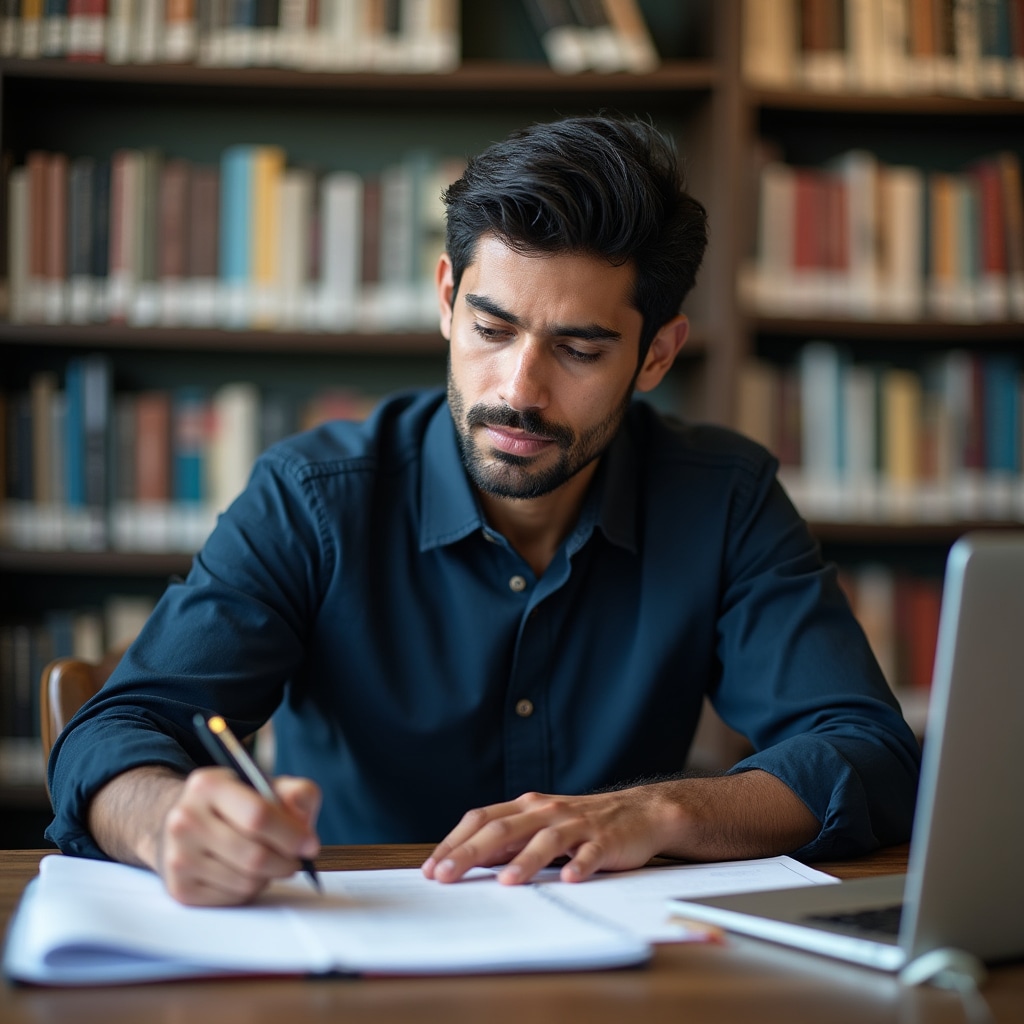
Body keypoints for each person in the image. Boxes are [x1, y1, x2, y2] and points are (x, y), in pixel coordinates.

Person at [47, 115, 920, 907]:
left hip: (616, 967)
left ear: (656, 356)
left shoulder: (723, 498)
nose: (518, 392)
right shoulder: (312, 497)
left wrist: (658, 811)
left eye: (579, 349)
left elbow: (867, 752)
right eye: (491, 329)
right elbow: (117, 734)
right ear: (445, 299)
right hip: (352, 944)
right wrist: (168, 824)